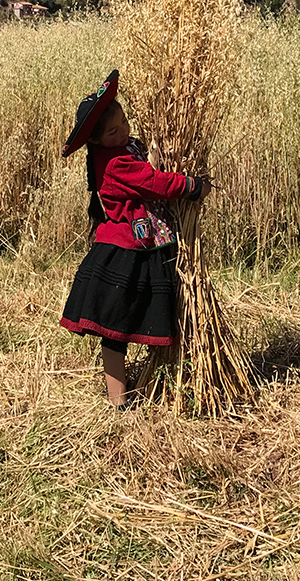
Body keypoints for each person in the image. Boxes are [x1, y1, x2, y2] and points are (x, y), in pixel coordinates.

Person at [59, 70, 211, 408]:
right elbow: (154, 183)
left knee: (123, 327)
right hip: (126, 255)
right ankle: (118, 399)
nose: (124, 131)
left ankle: (150, 382)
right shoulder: (115, 163)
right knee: (114, 330)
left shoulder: (122, 148)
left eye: (124, 122)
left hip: (138, 247)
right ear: (96, 141)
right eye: (113, 131)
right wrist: (191, 186)